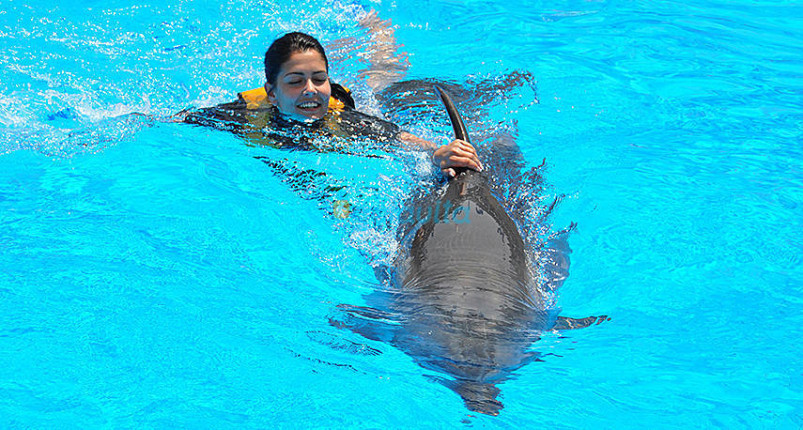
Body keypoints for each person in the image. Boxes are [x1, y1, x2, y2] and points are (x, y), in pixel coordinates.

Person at [182, 32, 482, 178]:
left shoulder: (347, 122)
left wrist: (439, 153)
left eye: (319, 78)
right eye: (295, 81)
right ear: (272, 93)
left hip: (352, 101)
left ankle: (377, 31)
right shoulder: (244, 117)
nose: (310, 90)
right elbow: (179, 119)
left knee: (380, 77)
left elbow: (403, 140)